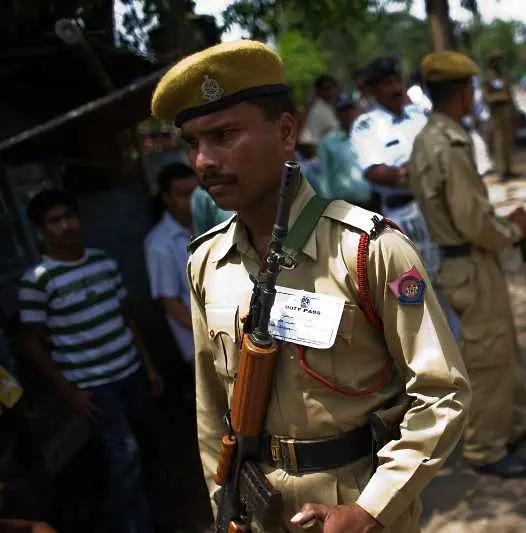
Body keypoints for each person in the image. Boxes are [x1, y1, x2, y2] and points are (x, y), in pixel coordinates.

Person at [150, 40, 470, 533]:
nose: (203, 161)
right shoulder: (206, 264)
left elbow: (441, 393)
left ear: (284, 132)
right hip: (258, 506)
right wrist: (225, 503)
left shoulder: (367, 251)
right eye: (192, 143)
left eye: (224, 135)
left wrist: (371, 509)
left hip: (358, 502)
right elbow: (212, 407)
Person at [409, 51, 526, 479]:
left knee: (502, 349)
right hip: (469, 262)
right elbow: (472, 222)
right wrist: (515, 231)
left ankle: (511, 423)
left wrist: (503, 226)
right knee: (488, 358)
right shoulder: (448, 145)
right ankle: (486, 446)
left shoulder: (429, 137)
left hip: (467, 261)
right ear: (465, 92)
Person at [17, 190, 163, 533]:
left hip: (130, 370)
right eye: (55, 221)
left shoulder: (103, 262)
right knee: (123, 454)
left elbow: (127, 317)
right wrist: (70, 393)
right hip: (95, 384)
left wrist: (150, 366)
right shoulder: (37, 281)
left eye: (69, 216)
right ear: (41, 230)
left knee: (145, 446)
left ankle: (154, 515)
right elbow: (32, 344)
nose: (66, 226)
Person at [350, 56, 462, 339]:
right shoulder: (367, 126)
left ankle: (461, 355)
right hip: (400, 220)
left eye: (397, 80)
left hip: (436, 211)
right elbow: (375, 171)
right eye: (387, 83)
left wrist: (409, 171)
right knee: (411, 293)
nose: (395, 87)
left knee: (451, 286)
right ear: (374, 90)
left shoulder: (420, 116)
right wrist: (418, 174)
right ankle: (426, 358)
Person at [144, 162, 197, 366]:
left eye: (196, 192)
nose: (193, 200)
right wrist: (215, 333)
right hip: (202, 346)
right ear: (166, 198)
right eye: (184, 195)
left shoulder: (207, 224)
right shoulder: (159, 243)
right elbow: (172, 304)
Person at [316, 93, 375, 209]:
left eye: (351, 109)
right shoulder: (328, 142)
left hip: (374, 201)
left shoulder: (369, 135)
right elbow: (325, 177)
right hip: (347, 206)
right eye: (343, 111)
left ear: (357, 110)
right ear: (337, 114)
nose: (348, 114)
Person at [482, 50, 519, 180]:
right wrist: (499, 97)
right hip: (496, 113)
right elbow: (485, 97)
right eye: (497, 60)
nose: (499, 62)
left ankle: (509, 169)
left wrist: (515, 111)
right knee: (499, 142)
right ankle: (501, 171)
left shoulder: (505, 75)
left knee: (509, 141)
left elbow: (510, 94)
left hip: (507, 111)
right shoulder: (488, 77)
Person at [300, 74, 341, 147]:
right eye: (326, 88)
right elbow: (312, 140)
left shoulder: (329, 107)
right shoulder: (318, 110)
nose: (330, 91)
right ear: (318, 91)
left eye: (332, 87)